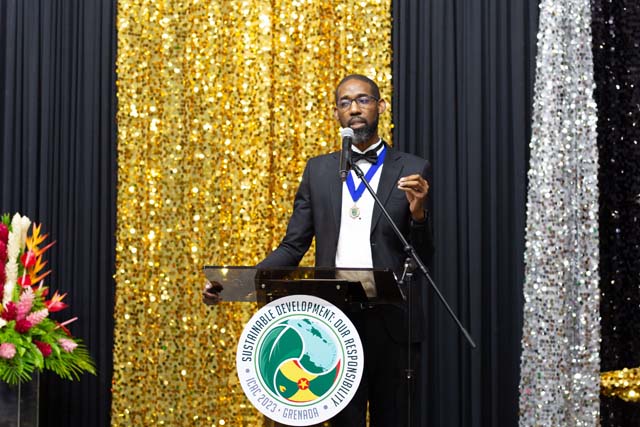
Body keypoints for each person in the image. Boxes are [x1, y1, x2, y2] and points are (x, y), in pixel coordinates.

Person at [204, 74, 433, 426]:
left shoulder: (413, 169)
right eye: (345, 102)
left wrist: (418, 216)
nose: (354, 108)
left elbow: (425, 257)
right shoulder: (319, 170)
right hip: (335, 324)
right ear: (336, 113)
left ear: (381, 106)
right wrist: (236, 283)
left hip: (393, 323)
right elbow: (292, 246)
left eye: (363, 100)